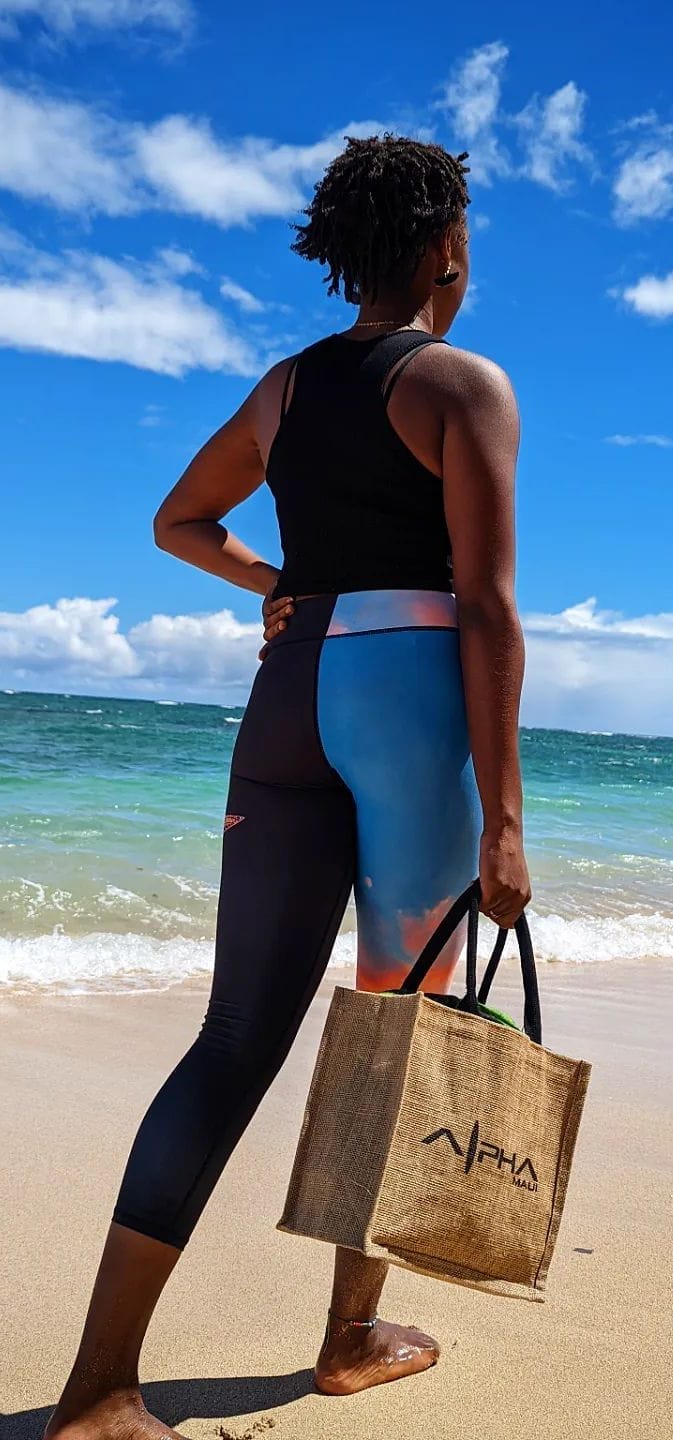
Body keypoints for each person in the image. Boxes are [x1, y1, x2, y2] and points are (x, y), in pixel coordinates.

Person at [46, 134, 531, 1438]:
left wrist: (280, 591)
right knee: (397, 1038)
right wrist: (503, 819)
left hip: (286, 700)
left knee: (233, 1039)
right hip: (409, 711)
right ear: (446, 249)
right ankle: (349, 1335)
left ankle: (97, 1389)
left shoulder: (282, 388)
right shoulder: (458, 384)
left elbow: (176, 521)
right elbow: (484, 608)